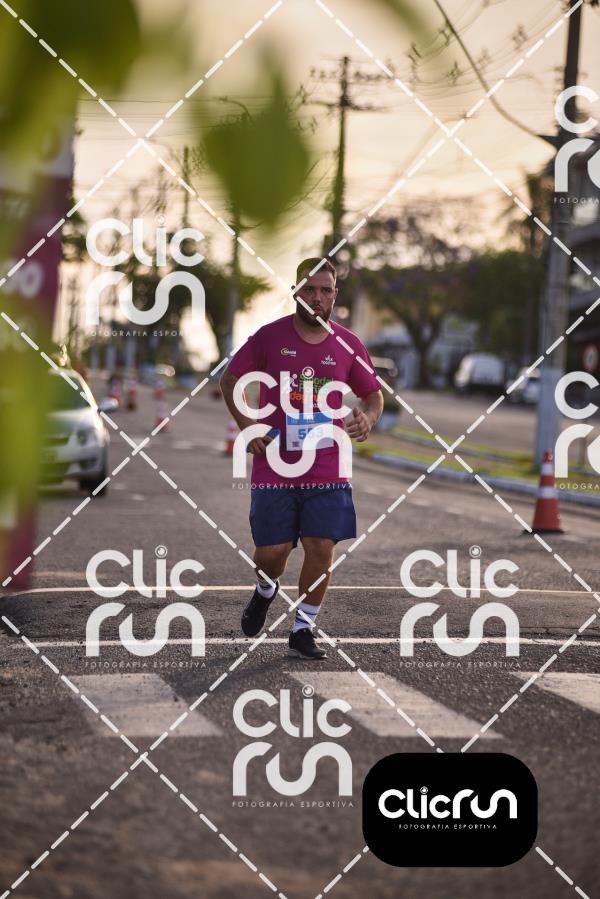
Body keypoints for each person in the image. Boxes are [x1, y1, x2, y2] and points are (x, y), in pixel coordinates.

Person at [220, 258, 383, 659]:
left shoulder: (347, 343)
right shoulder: (268, 337)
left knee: (321, 545)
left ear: (335, 296)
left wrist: (369, 418)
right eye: (309, 289)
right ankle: (265, 590)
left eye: (325, 290)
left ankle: (303, 628)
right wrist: (247, 427)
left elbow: (373, 395)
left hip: (328, 463)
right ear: (296, 291)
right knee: (271, 553)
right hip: (275, 462)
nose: (317, 297)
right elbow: (230, 379)